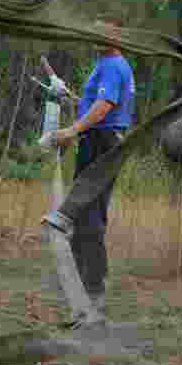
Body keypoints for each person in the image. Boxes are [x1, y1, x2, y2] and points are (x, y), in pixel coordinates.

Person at [49, 17, 136, 327]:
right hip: (99, 140)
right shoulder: (108, 64)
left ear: (115, 36)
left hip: (102, 143)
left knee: (89, 216)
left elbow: (105, 106)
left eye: (101, 32)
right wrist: (68, 97)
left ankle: (93, 296)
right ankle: (80, 296)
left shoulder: (112, 65)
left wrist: (72, 130)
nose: (94, 36)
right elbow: (95, 104)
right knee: (83, 212)